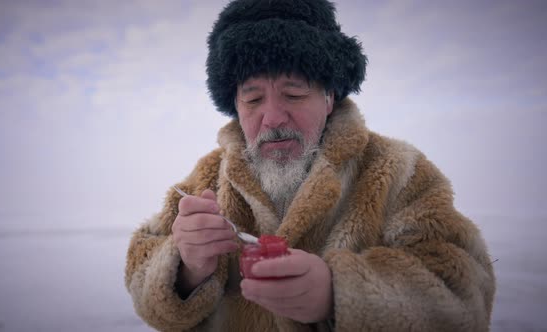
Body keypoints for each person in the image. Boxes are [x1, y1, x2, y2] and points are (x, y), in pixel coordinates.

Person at [125, 0, 496, 330]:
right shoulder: (206, 178)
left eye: (294, 94)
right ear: (235, 106)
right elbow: (142, 274)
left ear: (330, 96)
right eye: (253, 99)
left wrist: (340, 293)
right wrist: (187, 267)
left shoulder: (399, 172)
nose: (272, 117)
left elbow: (466, 294)